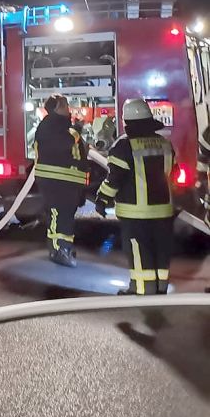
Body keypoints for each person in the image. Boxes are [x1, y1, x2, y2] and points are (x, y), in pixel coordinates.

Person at [94, 99, 175, 294]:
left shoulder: (123, 147)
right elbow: (173, 172)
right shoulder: (164, 143)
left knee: (140, 250)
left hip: (135, 212)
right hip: (163, 210)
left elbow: (114, 179)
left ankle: (142, 289)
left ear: (126, 121)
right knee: (160, 249)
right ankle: (161, 286)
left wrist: (102, 200)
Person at [33, 94, 88, 267]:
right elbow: (63, 144)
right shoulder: (49, 126)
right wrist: (77, 130)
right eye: (64, 105)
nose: (68, 108)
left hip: (65, 181)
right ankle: (59, 250)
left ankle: (61, 248)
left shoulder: (58, 125)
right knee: (59, 216)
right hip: (56, 181)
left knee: (63, 217)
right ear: (56, 108)